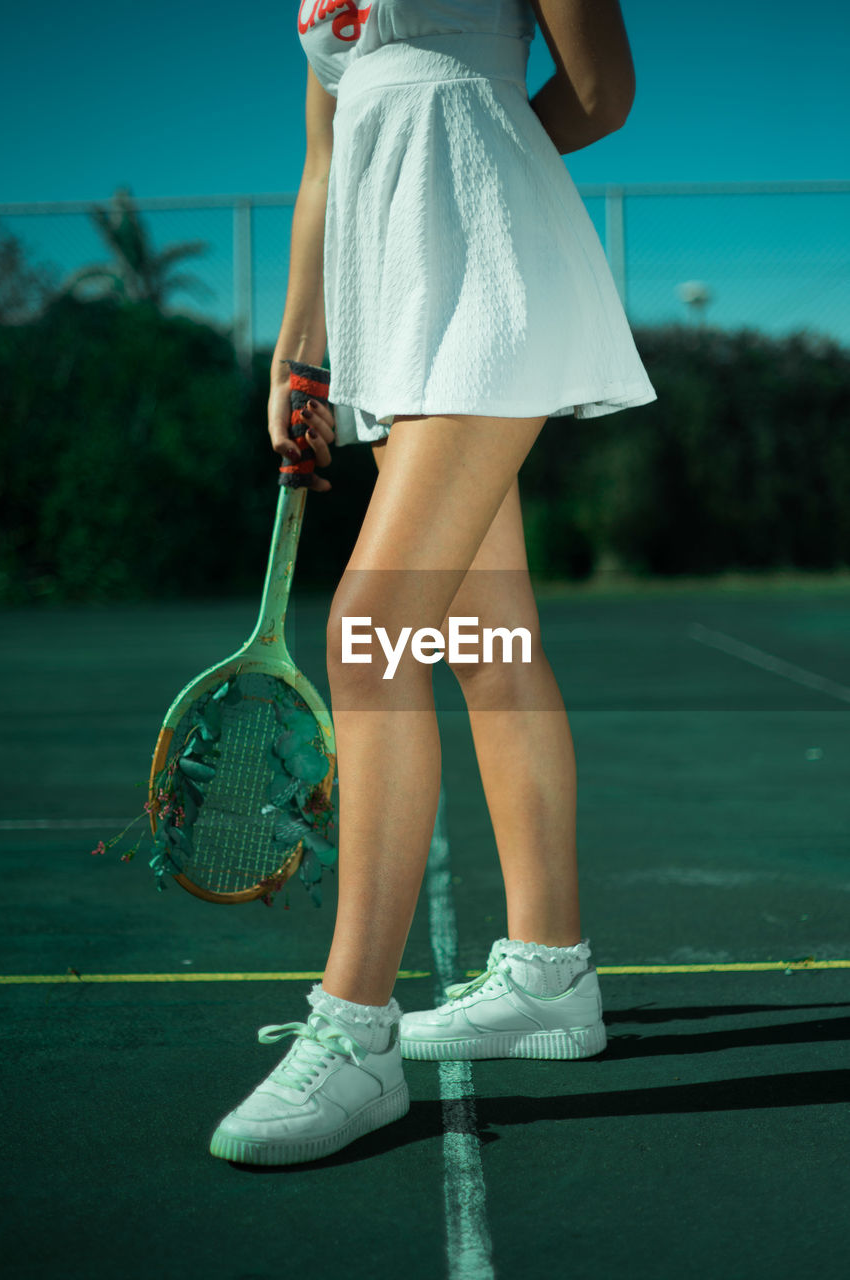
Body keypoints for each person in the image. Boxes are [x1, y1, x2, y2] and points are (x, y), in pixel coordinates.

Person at [210, 0, 656, 1166]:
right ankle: (548, 974)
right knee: (487, 634)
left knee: (366, 634)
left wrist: (476, 180)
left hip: (488, 259)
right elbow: (324, 153)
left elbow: (599, 91)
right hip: (385, 295)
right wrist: (300, 347)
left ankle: (353, 1029)